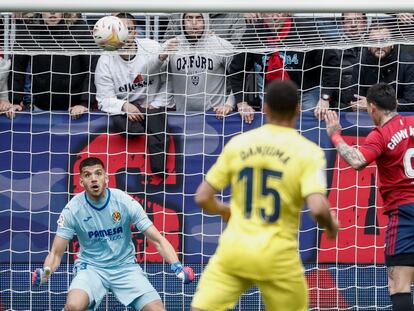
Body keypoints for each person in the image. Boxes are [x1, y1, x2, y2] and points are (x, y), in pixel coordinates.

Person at [191, 80, 339, 311]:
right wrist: (331, 226)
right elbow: (318, 208)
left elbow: (202, 197)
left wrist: (223, 210)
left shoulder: (239, 143)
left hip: (235, 250)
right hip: (278, 256)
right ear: (299, 109)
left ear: (265, 108)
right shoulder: (308, 152)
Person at [32, 157, 194, 311]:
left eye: (98, 173)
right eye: (88, 175)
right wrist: (46, 271)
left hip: (126, 267)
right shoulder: (72, 210)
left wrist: (177, 266)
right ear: (81, 182)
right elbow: (55, 253)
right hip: (91, 268)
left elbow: (157, 239)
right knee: (74, 306)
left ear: (106, 178)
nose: (94, 179)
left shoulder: (124, 202)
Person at [324, 83, 414, 311]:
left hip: (404, 213)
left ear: (373, 108)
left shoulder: (381, 134)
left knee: (399, 284)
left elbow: (356, 161)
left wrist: (335, 136)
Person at [95, 13, 173, 177]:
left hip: (151, 106)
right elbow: (103, 99)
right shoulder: (105, 60)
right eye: (119, 29)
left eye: (128, 29)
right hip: (125, 110)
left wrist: (156, 103)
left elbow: (170, 80)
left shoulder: (152, 48)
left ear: (136, 32)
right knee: (129, 128)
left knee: (157, 123)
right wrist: (124, 106)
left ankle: (159, 171)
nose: (124, 35)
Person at [229, 13, 324, 123]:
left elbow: (331, 62)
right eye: (270, 13)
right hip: (271, 93)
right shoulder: (253, 33)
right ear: (261, 14)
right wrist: (241, 102)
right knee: (272, 130)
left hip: (306, 92)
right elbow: (236, 70)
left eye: (279, 12)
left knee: (307, 127)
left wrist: (325, 98)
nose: (274, 17)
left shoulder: (306, 29)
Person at [11, 12, 95, 118]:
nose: (52, 12)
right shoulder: (30, 27)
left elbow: (92, 67)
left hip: (76, 110)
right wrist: (15, 101)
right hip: (40, 108)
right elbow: (18, 66)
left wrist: (85, 103)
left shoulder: (79, 28)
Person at [165, 13, 234, 117]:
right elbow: (155, 76)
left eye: (198, 18)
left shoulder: (221, 46)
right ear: (182, 21)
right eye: (189, 18)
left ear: (206, 20)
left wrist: (229, 104)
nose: (194, 23)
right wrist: (159, 58)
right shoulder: (171, 45)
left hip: (215, 116)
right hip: (181, 115)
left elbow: (239, 76)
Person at [341, 25, 414, 112]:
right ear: (368, 45)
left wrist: (374, 105)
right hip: (370, 116)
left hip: (400, 116)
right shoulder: (360, 62)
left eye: (384, 40)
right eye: (374, 41)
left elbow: (411, 102)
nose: (379, 46)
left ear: (392, 44)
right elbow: (355, 100)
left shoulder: (407, 62)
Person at [314, 13, 370, 119]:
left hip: (371, 110)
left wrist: (371, 103)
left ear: (365, 23)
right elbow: (327, 80)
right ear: (342, 25)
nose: (353, 25)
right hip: (339, 110)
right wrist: (324, 98)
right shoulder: (332, 49)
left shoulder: (376, 48)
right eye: (348, 21)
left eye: (357, 20)